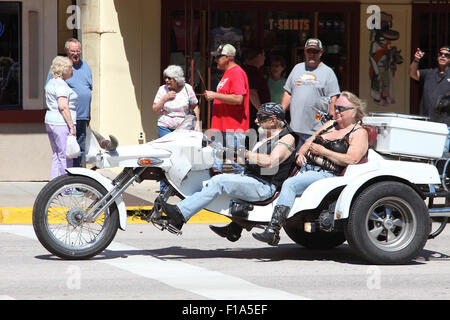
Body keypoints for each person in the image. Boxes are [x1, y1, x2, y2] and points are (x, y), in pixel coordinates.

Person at [160, 102, 298, 235]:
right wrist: (231, 154)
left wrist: (245, 153)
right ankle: (234, 229)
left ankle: (180, 214)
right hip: (253, 179)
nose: (256, 121)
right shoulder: (267, 136)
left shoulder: (287, 138)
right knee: (213, 180)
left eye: (260, 117)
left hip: (265, 186)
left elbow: (270, 162)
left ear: (273, 120)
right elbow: (255, 161)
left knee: (219, 182)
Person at [253, 91, 368, 245]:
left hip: (328, 175)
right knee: (271, 175)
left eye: (341, 108)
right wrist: (300, 153)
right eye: (336, 107)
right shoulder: (329, 125)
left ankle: (273, 230)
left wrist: (323, 151)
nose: (337, 111)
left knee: (290, 184)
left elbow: (352, 159)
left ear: (354, 111)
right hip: (306, 168)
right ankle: (238, 224)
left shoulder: (359, 133)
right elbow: (309, 142)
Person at [281, 38, 341, 147]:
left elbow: (333, 98)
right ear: (305, 52)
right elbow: (288, 93)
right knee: (294, 162)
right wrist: (280, 112)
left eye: (315, 52)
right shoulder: (297, 68)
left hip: (315, 131)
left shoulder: (328, 72)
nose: (312, 55)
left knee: (308, 163)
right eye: (309, 51)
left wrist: (331, 123)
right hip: (294, 129)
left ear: (321, 53)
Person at [153, 65, 200, 192]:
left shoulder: (187, 88)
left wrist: (197, 124)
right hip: (165, 127)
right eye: (165, 78)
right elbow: (155, 110)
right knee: (166, 157)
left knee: (181, 157)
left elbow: (195, 106)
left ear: (177, 79)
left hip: (183, 129)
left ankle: (180, 186)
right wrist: (164, 98)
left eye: (170, 78)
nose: (166, 81)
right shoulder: (162, 90)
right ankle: (164, 187)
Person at [47, 39, 93, 168]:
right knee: (68, 153)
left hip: (82, 117)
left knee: (80, 150)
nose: (76, 53)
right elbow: (52, 94)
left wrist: (88, 114)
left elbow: (88, 90)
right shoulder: (60, 71)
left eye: (78, 51)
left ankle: (78, 183)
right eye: (73, 51)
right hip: (67, 119)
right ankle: (71, 182)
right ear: (67, 51)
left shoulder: (86, 67)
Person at [204, 43, 250, 173]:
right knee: (216, 167)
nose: (215, 60)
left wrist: (214, 95)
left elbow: (238, 99)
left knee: (235, 167)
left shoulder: (237, 73)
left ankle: (238, 191)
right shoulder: (228, 73)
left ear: (228, 58)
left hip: (233, 128)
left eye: (218, 57)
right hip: (221, 127)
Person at [44, 56, 79, 187]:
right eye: (70, 67)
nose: (73, 70)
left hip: (51, 121)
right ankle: (66, 187)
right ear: (63, 69)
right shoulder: (61, 85)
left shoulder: (51, 82)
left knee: (57, 155)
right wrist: (71, 126)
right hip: (61, 123)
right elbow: (63, 106)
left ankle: (54, 185)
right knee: (66, 156)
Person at [409, 45, 450, 152]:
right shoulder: (429, 73)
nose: (443, 56)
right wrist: (416, 60)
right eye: (440, 54)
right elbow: (413, 74)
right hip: (426, 123)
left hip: (444, 125)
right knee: (424, 153)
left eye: (446, 55)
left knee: (441, 155)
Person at [243, 47, 270, 131]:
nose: (265, 58)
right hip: (254, 115)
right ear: (259, 56)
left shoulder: (252, 70)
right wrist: (261, 112)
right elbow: (252, 93)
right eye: (263, 55)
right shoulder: (252, 72)